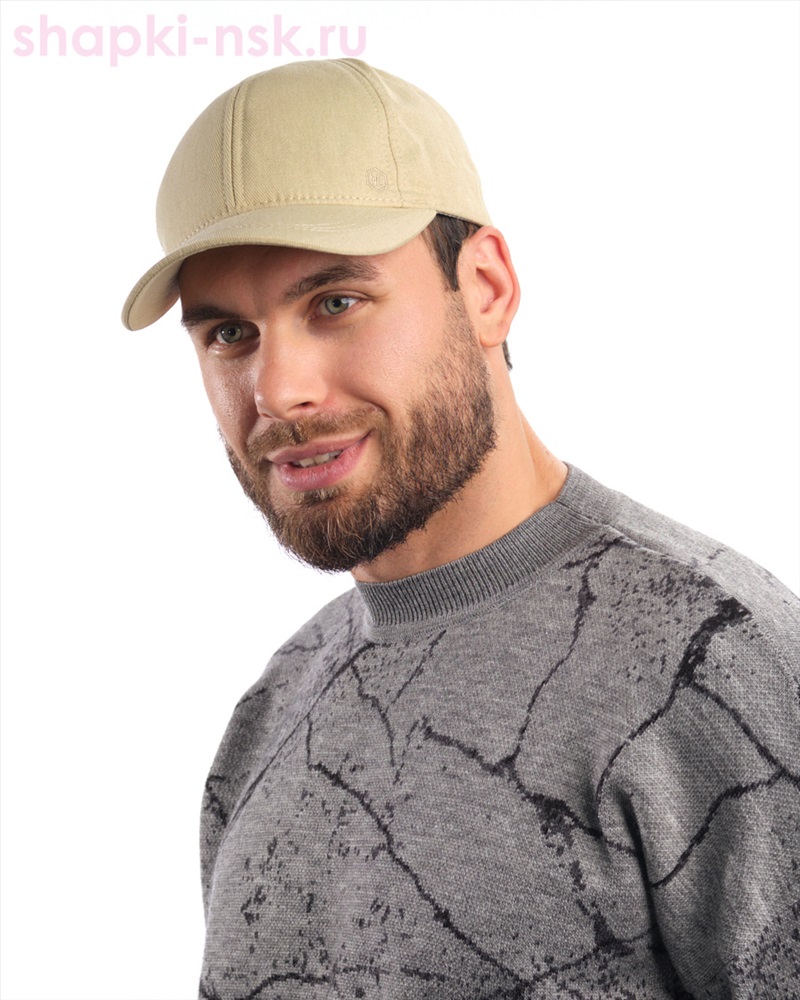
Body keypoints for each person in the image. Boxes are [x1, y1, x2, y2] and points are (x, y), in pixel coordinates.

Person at [123, 59, 799, 999]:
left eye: (335, 303)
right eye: (228, 334)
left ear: (485, 288)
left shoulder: (712, 660)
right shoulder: (274, 712)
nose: (278, 391)